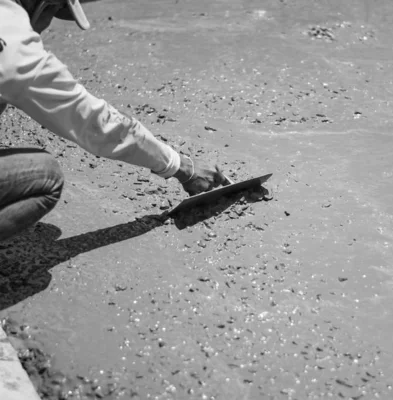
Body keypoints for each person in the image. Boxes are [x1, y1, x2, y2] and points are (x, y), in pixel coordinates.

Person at [0, 0, 225, 241]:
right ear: (44, 4)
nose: (46, 25)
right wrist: (179, 165)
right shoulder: (9, 38)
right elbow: (89, 119)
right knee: (44, 176)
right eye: (53, 12)